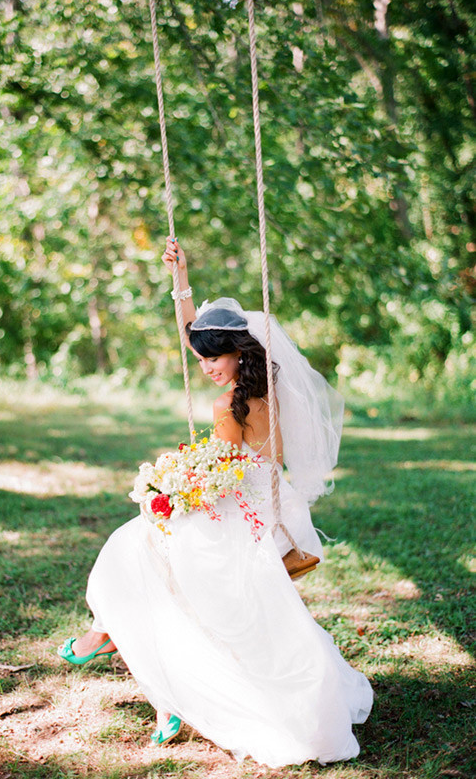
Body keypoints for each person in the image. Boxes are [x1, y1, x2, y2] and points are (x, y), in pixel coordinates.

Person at [57, 237, 373, 765]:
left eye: (214, 356)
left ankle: (125, 653)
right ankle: (158, 688)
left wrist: (171, 488)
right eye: (202, 357)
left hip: (236, 510)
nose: (205, 365)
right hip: (271, 507)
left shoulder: (229, 402)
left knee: (132, 555)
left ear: (237, 352)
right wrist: (182, 281)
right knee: (160, 573)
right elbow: (196, 336)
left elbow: (220, 473)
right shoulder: (271, 385)